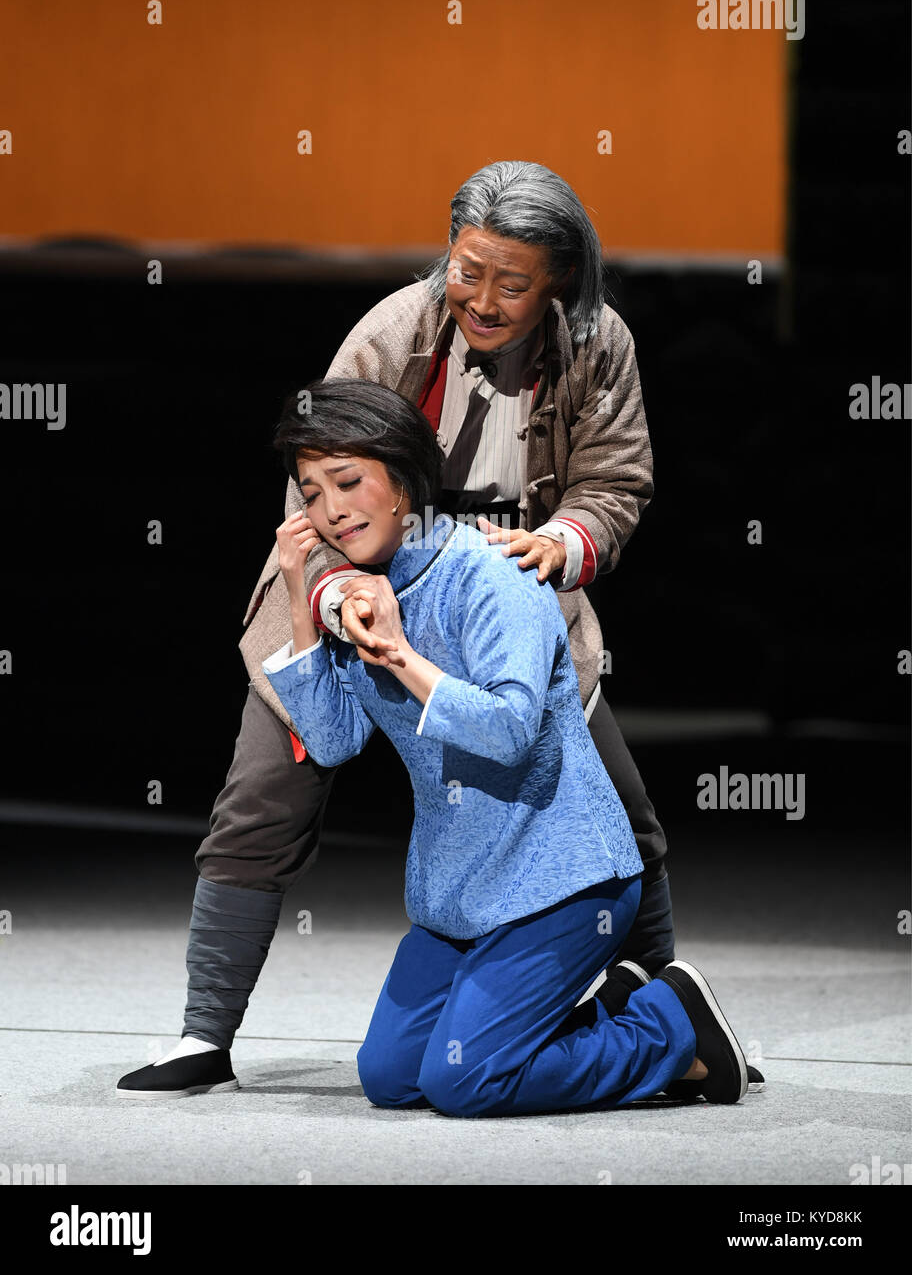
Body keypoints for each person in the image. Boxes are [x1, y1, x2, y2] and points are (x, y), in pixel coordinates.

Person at [116, 159, 761, 1099]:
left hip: (502, 583)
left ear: (561, 283)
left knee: (617, 812)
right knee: (261, 799)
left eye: (512, 281)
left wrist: (561, 546)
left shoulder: (596, 345)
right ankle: (202, 1034)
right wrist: (332, 599)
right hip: (352, 580)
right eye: (468, 270)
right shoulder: (393, 330)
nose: (483, 298)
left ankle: (655, 1001)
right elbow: (323, 480)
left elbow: (615, 481)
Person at [265, 378, 747, 1114]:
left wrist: (399, 656)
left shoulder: (493, 574)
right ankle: (607, 1009)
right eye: (311, 490)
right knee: (392, 1079)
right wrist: (303, 596)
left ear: (401, 480)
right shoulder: (359, 594)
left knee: (466, 1082)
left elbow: (511, 734)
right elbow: (331, 743)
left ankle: (669, 1026)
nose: (329, 509)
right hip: (462, 895)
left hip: (564, 882)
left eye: (348, 481)